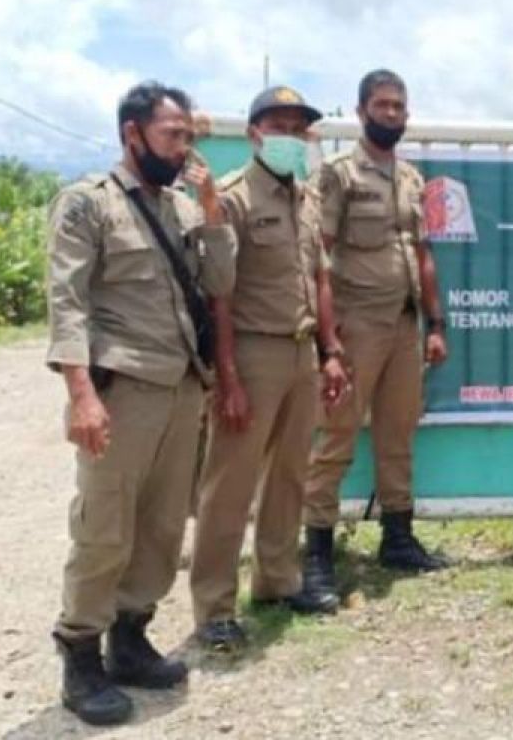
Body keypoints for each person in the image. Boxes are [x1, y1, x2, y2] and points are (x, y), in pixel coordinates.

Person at [46, 81, 235, 725]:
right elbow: (66, 304)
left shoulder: (183, 208)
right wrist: (80, 396)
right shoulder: (86, 204)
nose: (184, 147)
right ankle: (80, 656)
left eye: (188, 135)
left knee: (159, 527)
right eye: (172, 135)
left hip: (183, 390)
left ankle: (131, 639)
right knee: (104, 526)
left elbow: (220, 285)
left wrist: (212, 213)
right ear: (133, 135)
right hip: (121, 391)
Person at [189, 86, 348, 652]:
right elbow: (219, 295)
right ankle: (213, 606)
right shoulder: (232, 198)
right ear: (255, 134)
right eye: (279, 126)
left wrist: (329, 351)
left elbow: (319, 279)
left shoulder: (304, 198)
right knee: (229, 483)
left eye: (299, 128)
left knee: (289, 474)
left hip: (302, 351)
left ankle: (278, 580)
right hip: (251, 353)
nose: (292, 136)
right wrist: (227, 374)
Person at [300, 68, 448, 601]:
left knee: (397, 434)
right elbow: (319, 259)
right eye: (383, 105)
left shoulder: (412, 179)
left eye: (399, 107)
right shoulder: (340, 175)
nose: (393, 115)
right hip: (356, 324)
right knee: (337, 435)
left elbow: (423, 254)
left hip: (405, 327)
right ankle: (316, 555)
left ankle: (399, 539)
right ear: (362, 112)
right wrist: (329, 345)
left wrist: (437, 324)